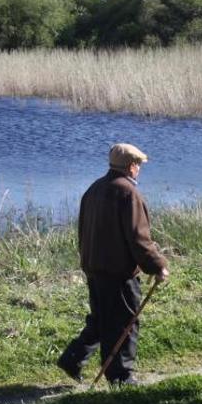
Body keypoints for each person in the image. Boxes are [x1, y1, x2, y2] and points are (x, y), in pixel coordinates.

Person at [57, 143, 170, 386]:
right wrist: (157, 265)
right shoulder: (128, 194)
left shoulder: (95, 188)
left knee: (101, 320)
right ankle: (120, 375)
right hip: (118, 273)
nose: (139, 169)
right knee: (124, 324)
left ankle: (72, 359)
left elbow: (82, 231)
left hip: (94, 268)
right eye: (138, 165)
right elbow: (139, 238)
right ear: (131, 167)